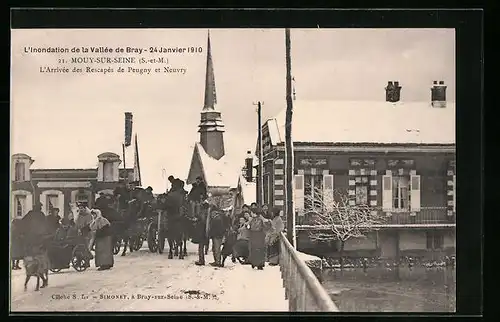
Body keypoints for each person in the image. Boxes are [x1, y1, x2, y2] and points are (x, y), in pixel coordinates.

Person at [248, 205, 271, 270]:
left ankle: (258, 264)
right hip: (256, 235)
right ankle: (255, 263)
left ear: (254, 213)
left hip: (258, 235)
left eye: (251, 213)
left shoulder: (260, 219)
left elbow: (266, 226)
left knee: (258, 249)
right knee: (256, 250)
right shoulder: (252, 219)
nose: (251, 214)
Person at [194, 201, 210, 266]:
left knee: (200, 247)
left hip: (202, 232)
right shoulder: (208, 213)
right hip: (205, 232)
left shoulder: (203, 213)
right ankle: (201, 259)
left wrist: (197, 220)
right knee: (202, 246)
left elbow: (202, 221)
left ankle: (201, 260)